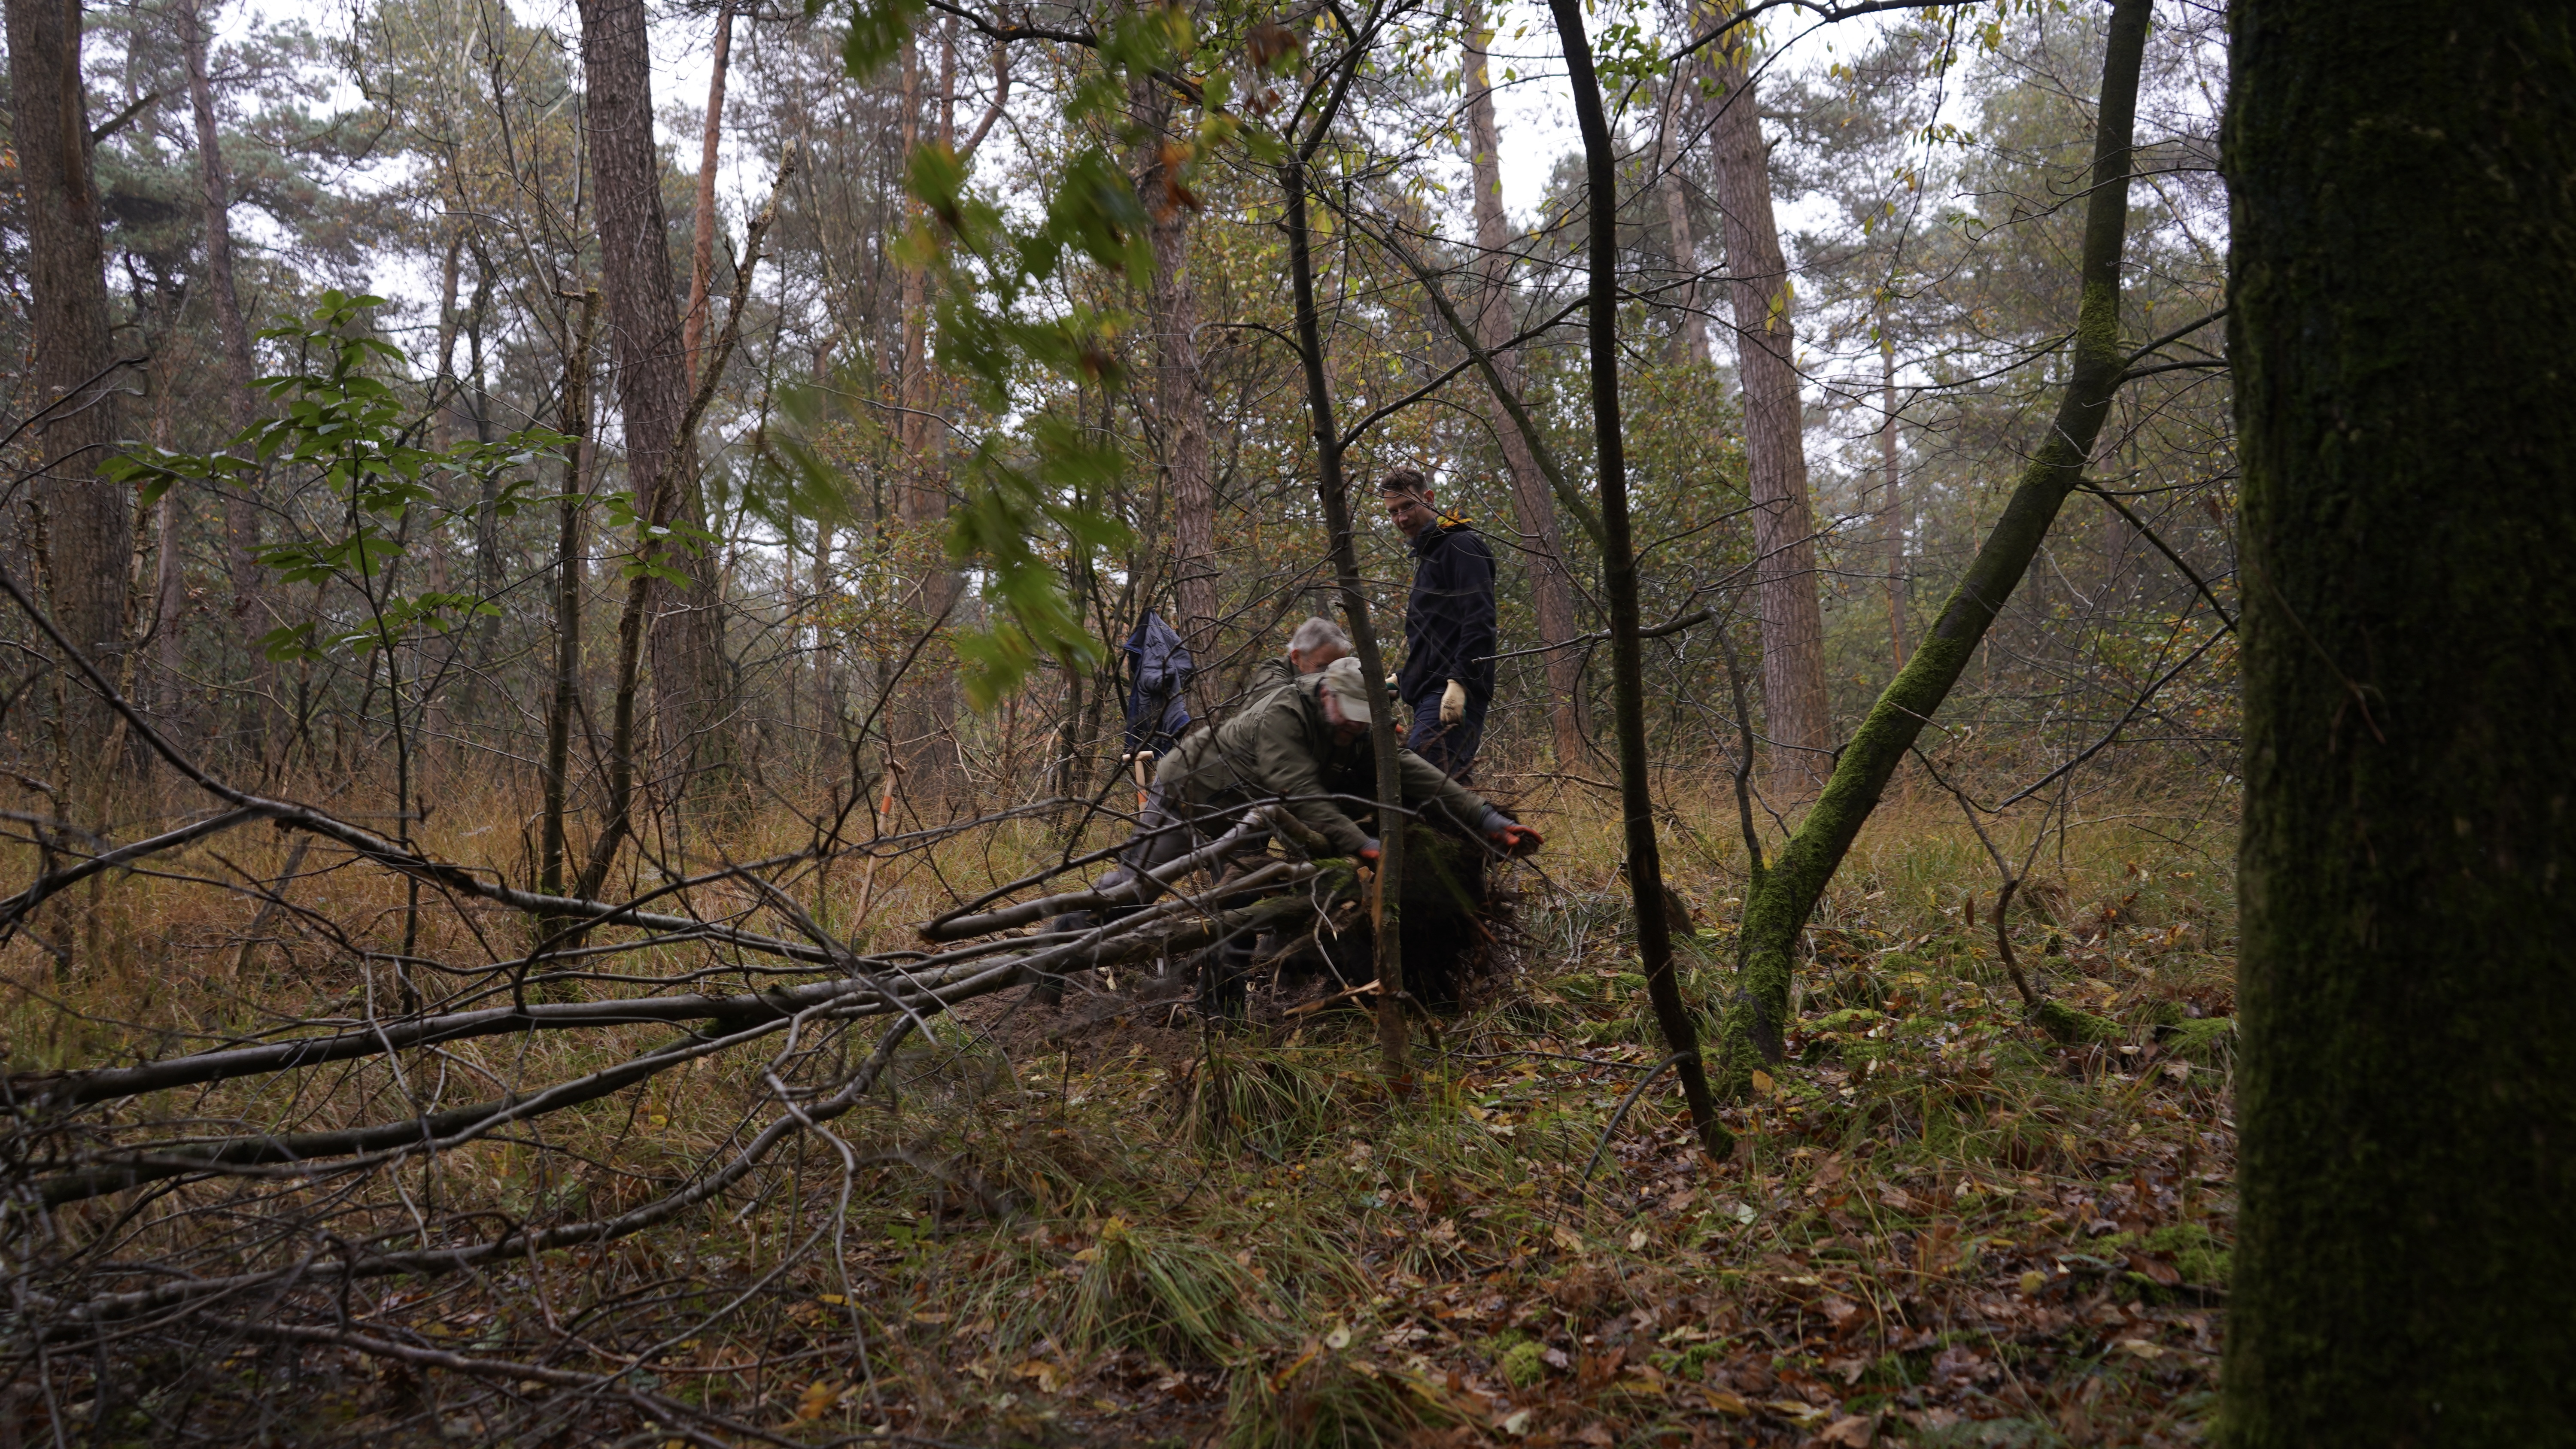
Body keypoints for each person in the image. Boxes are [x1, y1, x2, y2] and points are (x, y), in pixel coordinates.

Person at [1048, 656, 1541, 1012]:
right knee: (1138, 891)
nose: (1354, 728)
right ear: (1327, 695)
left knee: (1240, 899)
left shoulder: (1357, 721)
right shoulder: (1284, 714)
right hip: (1192, 792)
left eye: (1362, 720)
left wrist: (1489, 822)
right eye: (1348, 717)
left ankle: (1219, 1011)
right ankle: (1055, 947)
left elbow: (1411, 770)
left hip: (1250, 812)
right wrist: (1366, 846)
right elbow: (1301, 792)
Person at [1380, 468, 1497, 779]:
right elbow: (1439, 638)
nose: (1401, 518)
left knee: (1427, 784)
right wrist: (1403, 679)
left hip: (1452, 690)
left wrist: (1460, 681)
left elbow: (1480, 619)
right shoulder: (1430, 555)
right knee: (1447, 790)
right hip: (1433, 691)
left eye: (1408, 506)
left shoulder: (1460, 546)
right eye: (1393, 512)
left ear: (1429, 499)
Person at [1246, 615, 1351, 696]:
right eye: (1323, 668)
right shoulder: (1270, 676)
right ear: (1297, 657)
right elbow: (1280, 710)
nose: (1330, 675)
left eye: (1338, 668)